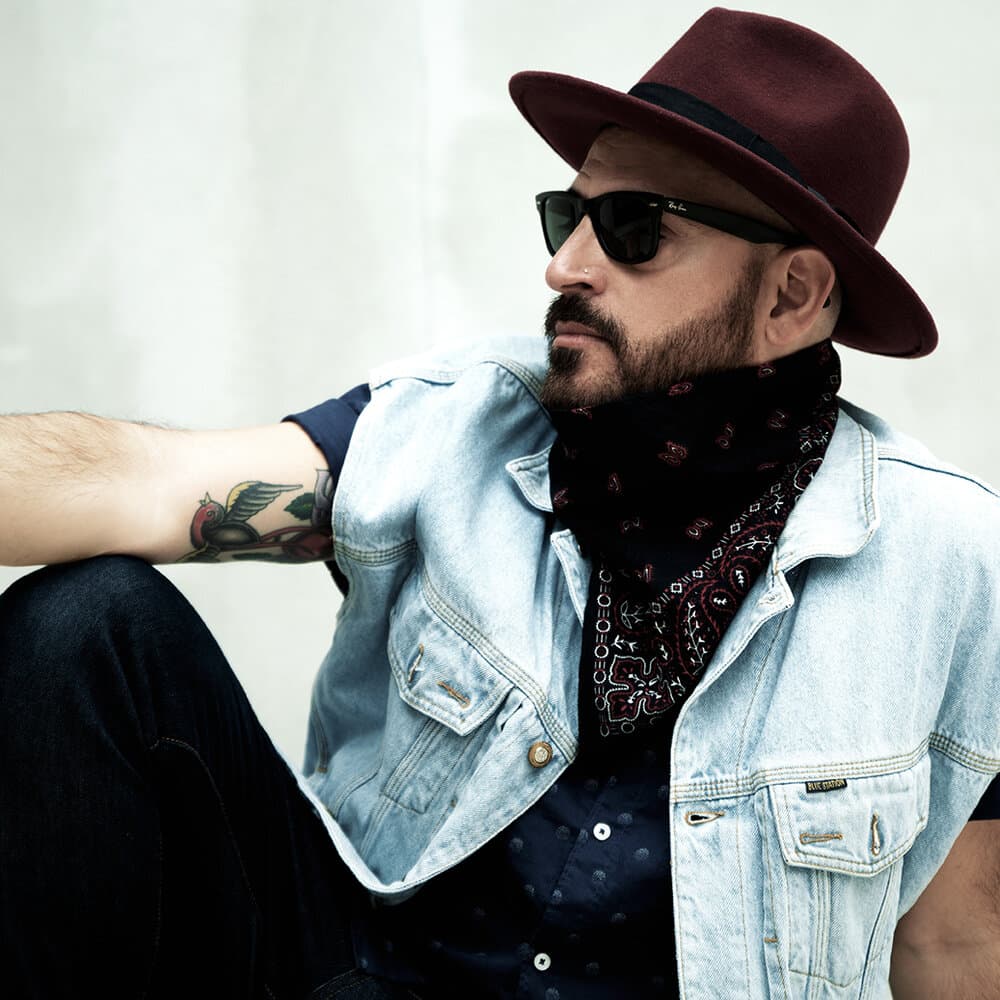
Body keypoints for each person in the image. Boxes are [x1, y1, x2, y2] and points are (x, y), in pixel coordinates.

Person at [1, 7, 998, 998]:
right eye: (569, 217)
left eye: (633, 229)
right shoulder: (455, 427)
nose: (564, 267)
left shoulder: (951, 568)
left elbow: (952, 947)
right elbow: (139, 482)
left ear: (791, 295)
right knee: (87, 623)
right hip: (359, 979)